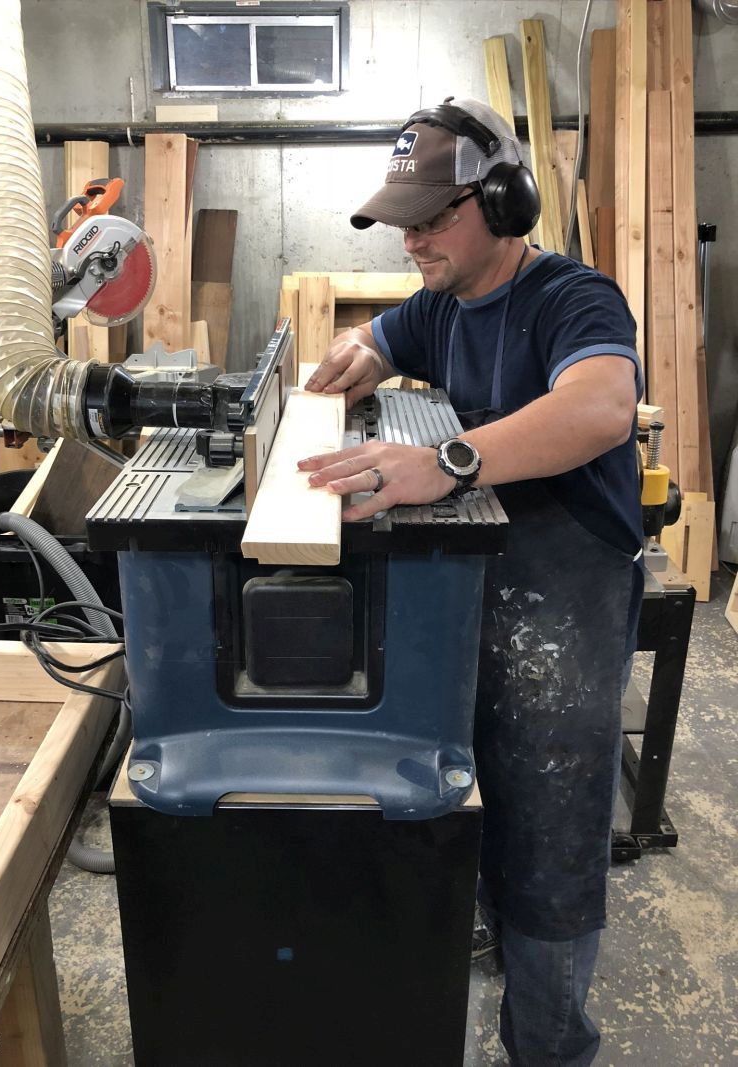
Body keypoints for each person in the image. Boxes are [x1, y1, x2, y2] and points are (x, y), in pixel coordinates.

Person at [299, 98, 644, 1066]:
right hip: (476, 571)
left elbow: (599, 407)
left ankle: (548, 1042)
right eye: (402, 221)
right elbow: (380, 339)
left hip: (562, 583)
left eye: (430, 218)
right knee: (462, 779)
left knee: (548, 822)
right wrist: (352, 364)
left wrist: (442, 459)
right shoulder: (442, 298)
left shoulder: (572, 297)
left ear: (502, 201)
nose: (411, 240)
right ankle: (487, 930)